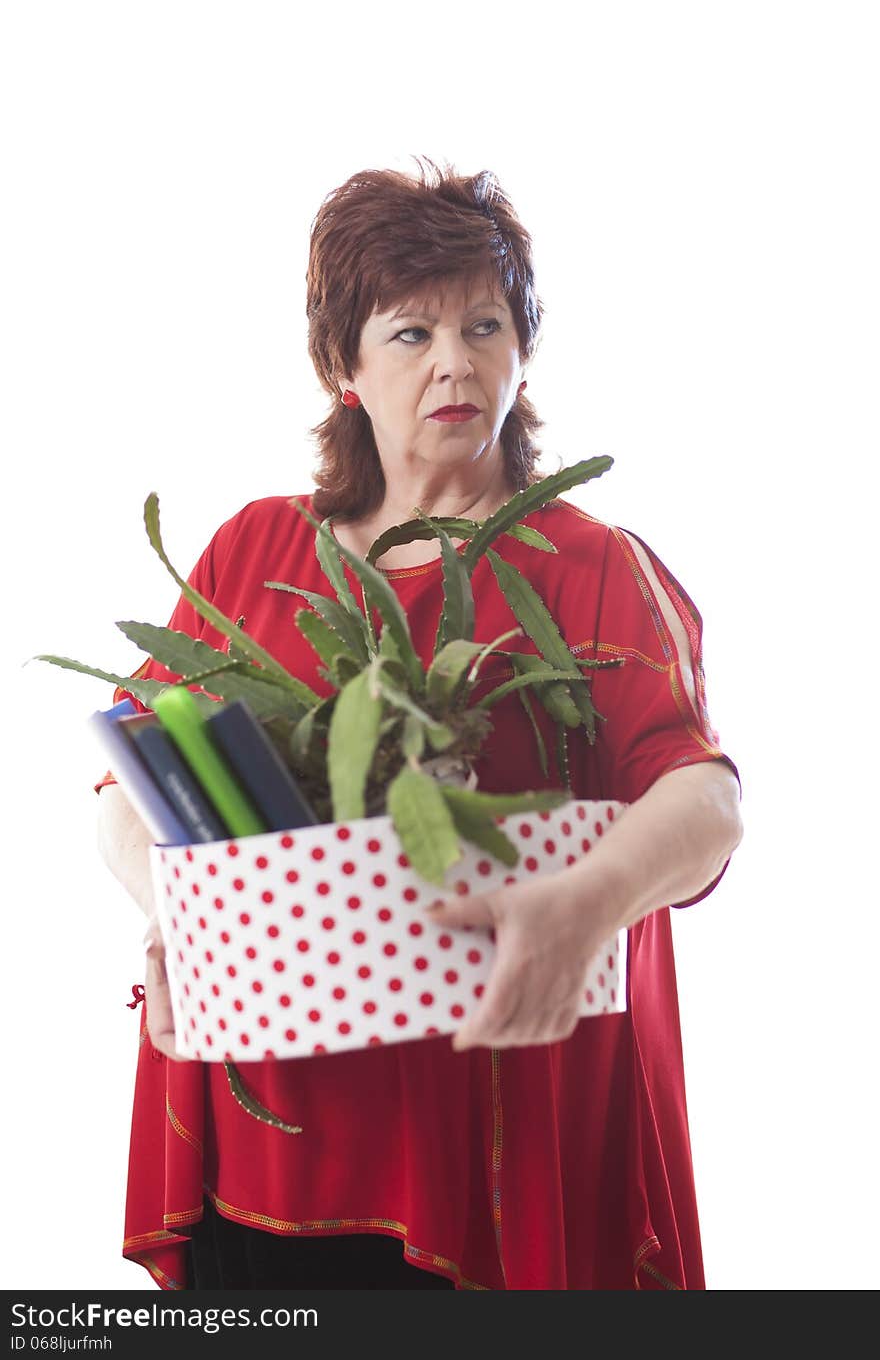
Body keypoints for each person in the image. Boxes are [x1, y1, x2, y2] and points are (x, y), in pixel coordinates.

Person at [95, 156, 743, 1291]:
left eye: (484, 326)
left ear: (520, 351)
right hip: (271, 1138)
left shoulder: (594, 568)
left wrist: (587, 902)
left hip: (496, 1128)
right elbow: (130, 778)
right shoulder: (255, 547)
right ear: (343, 365)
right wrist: (183, 912)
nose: (455, 362)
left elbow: (705, 798)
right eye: (410, 333)